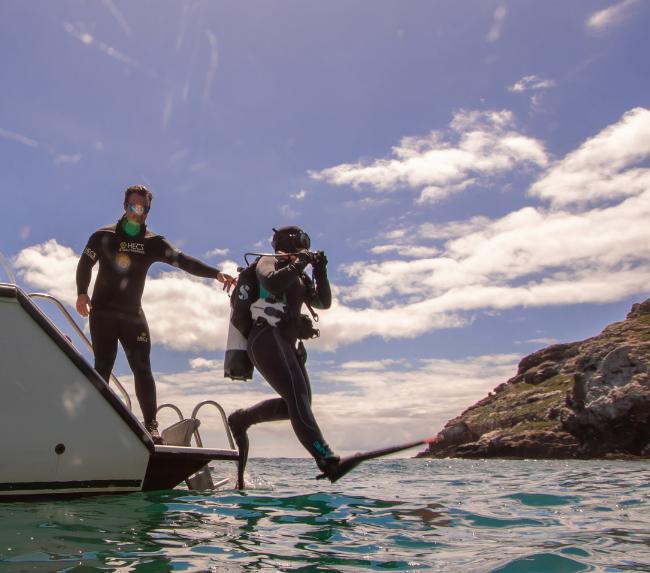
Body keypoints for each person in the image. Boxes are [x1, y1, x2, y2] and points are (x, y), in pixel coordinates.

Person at [75, 185, 233, 443]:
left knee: (143, 368)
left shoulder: (153, 243)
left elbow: (183, 260)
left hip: (132, 315)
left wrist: (215, 273)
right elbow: (85, 263)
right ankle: (93, 423)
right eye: (134, 207)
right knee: (103, 366)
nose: (139, 213)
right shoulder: (103, 236)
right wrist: (82, 292)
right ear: (124, 206)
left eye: (144, 209)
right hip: (103, 314)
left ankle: (151, 427)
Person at [227, 225, 341, 488]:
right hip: (265, 337)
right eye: (302, 241)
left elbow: (323, 302)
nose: (305, 246)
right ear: (290, 242)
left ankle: (242, 419)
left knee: (300, 403)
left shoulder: (298, 274)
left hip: (288, 343)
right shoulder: (269, 262)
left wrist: (320, 270)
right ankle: (323, 455)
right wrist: (300, 263)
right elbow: (270, 282)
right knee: (297, 398)